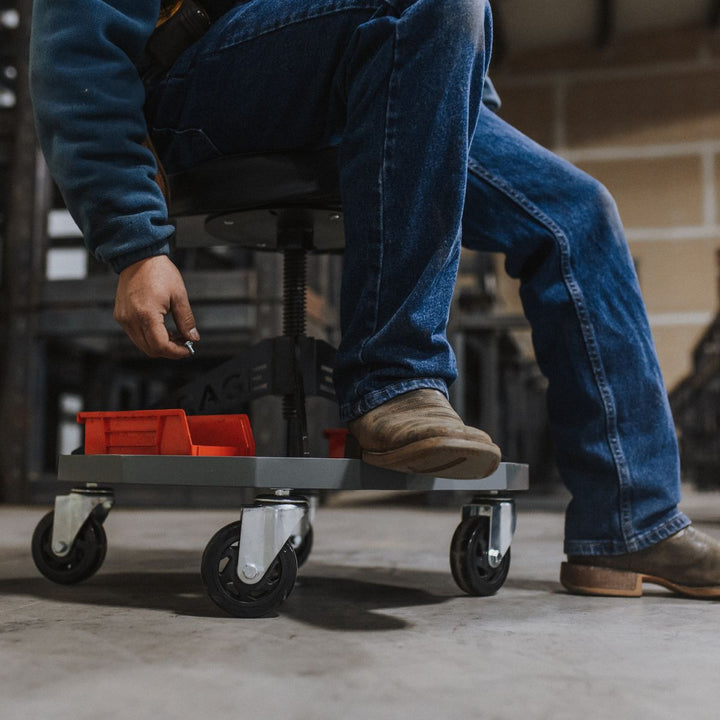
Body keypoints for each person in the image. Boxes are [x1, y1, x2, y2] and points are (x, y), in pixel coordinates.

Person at [29, 0, 720, 598]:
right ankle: (395, 381)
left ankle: (630, 525)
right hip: (193, 93)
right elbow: (76, 54)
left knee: (577, 215)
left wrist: (444, 91)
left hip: (357, 65)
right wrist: (135, 242)